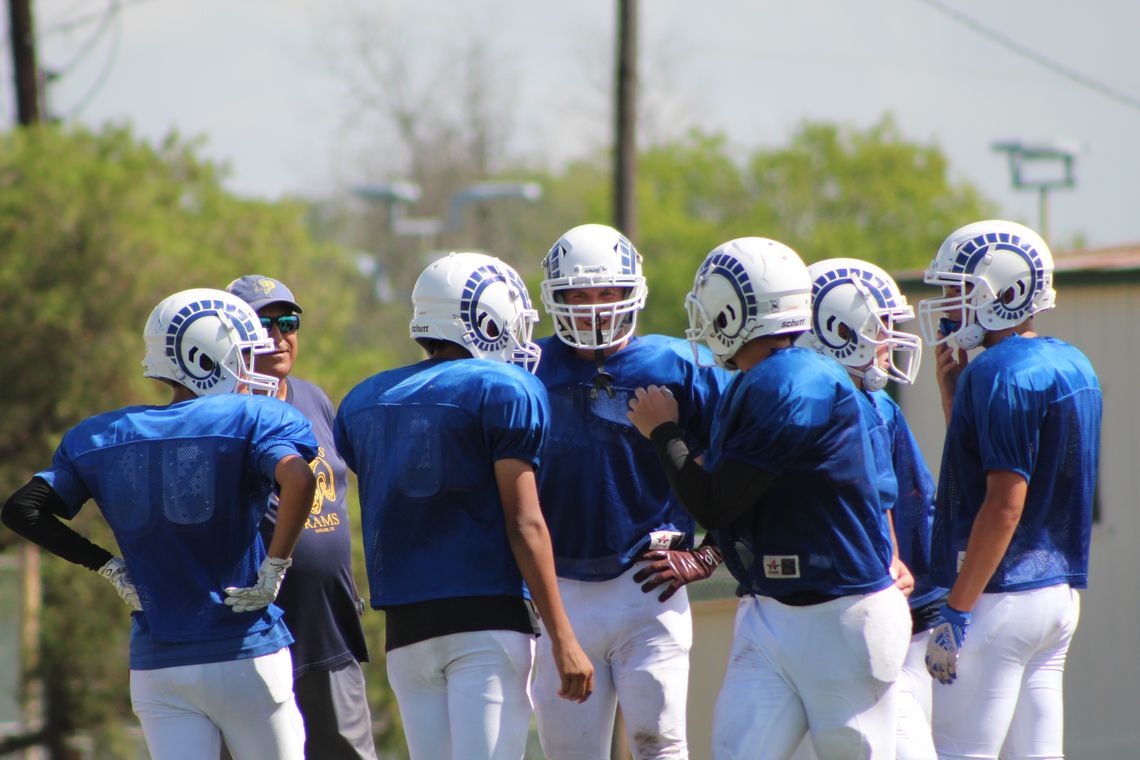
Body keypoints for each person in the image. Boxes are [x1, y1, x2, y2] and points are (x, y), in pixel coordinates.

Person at [1, 288, 320, 760]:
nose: (254, 364)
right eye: (246, 353)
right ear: (208, 356)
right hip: (242, 649)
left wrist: (107, 566)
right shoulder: (255, 416)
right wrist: (275, 567)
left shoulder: (103, 434)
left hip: (158, 663)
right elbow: (297, 478)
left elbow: (21, 509)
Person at [626, 237, 911, 760]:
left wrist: (663, 433)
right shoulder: (763, 378)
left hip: (841, 612)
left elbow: (715, 501)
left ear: (734, 309)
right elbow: (747, 500)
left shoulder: (793, 382)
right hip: (771, 610)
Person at [333, 252, 594, 760]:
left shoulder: (363, 400)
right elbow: (526, 522)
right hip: (486, 622)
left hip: (407, 634)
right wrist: (564, 637)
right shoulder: (505, 388)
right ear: (488, 319)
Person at [531, 223, 730, 759]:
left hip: (650, 585)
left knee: (661, 746)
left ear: (634, 293)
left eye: (609, 293)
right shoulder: (525, 369)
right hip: (558, 591)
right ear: (555, 297)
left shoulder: (681, 365)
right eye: (579, 294)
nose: (595, 308)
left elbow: (751, 460)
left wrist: (714, 549)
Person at [917, 220, 1102, 759]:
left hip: (997, 595)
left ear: (1003, 289)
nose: (949, 303)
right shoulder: (1073, 361)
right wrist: (954, 396)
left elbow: (1003, 504)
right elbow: (995, 466)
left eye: (959, 289)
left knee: (959, 752)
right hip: (1057, 595)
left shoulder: (997, 373)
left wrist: (957, 607)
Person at [225, 275, 377, 760]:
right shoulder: (218, 415)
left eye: (287, 322)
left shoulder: (315, 400)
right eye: (260, 323)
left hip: (329, 630)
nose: (277, 336)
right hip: (251, 638)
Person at [798, 257, 944, 760]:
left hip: (897, 604)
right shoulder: (823, 405)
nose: (888, 339)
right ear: (836, 328)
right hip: (843, 603)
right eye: (877, 326)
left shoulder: (880, 405)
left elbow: (904, 498)